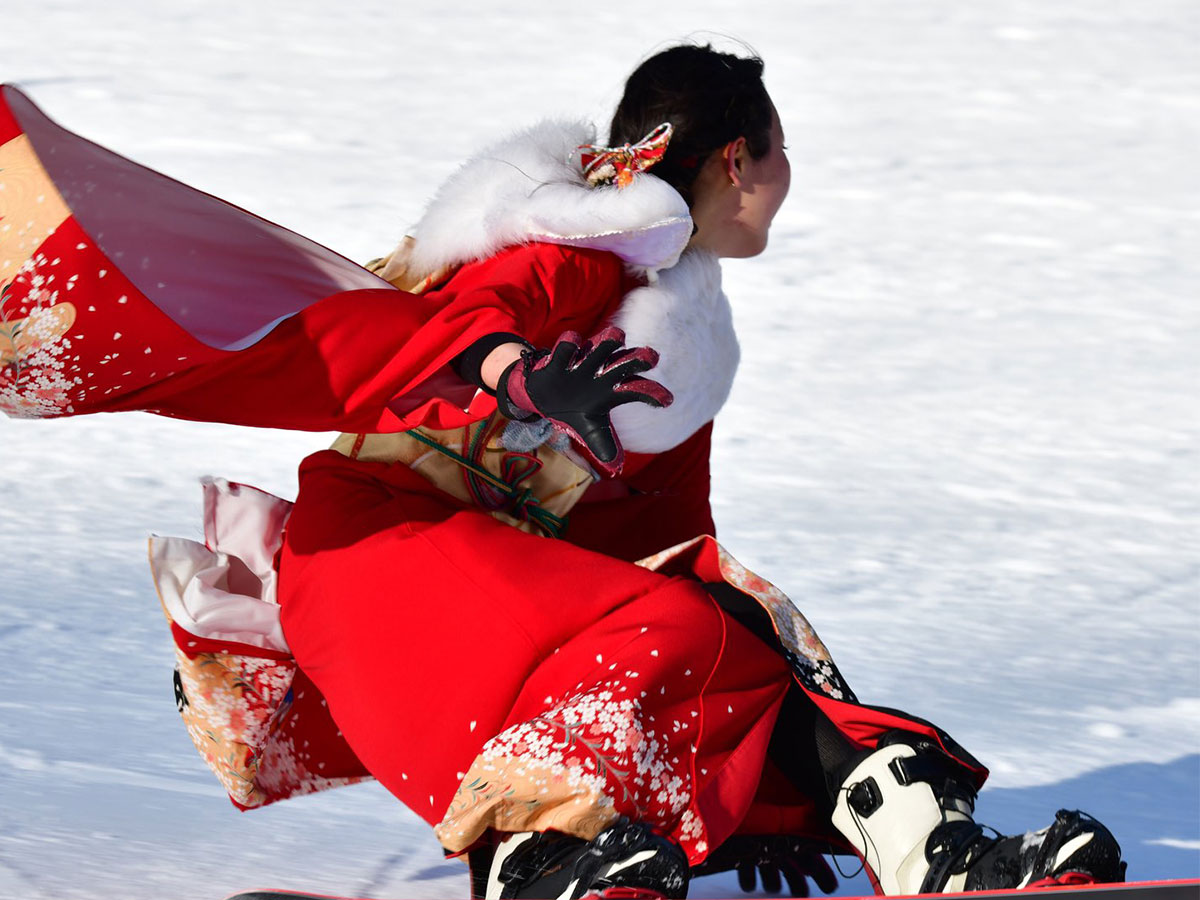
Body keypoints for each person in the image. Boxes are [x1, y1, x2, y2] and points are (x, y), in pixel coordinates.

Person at [0, 45, 1124, 900]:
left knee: (719, 630)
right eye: (778, 156)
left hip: (481, 593)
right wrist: (524, 380)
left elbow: (663, 548)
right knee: (677, 636)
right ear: (737, 159)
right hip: (376, 561)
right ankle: (534, 861)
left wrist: (776, 780)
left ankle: (922, 843)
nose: (785, 181)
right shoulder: (583, 247)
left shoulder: (679, 343)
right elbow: (471, 317)